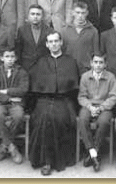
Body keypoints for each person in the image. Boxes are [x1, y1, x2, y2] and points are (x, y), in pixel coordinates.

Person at [29, 31, 79, 175]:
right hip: (44, 99)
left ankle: (52, 160)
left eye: (56, 41)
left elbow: (73, 88)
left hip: (64, 100)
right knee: (43, 117)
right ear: (46, 44)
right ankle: (45, 160)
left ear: (61, 42)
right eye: (50, 42)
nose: (54, 44)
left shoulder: (70, 61)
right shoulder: (41, 62)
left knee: (56, 118)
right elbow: (36, 88)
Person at [78, 51, 116, 172]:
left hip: (104, 107)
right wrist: (90, 107)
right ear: (91, 63)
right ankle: (93, 153)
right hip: (89, 106)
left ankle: (94, 152)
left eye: (101, 62)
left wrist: (101, 107)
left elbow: (113, 97)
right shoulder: (85, 76)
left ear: (105, 64)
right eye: (95, 62)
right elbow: (82, 96)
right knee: (83, 119)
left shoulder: (111, 77)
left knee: (104, 121)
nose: (98, 65)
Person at [0, 47, 29, 163]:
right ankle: (11, 147)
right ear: (2, 58)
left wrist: (6, 91)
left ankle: (3, 145)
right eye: (7, 57)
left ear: (16, 58)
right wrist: (9, 98)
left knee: (18, 116)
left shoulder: (22, 72)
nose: (10, 59)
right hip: (0, 103)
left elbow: (23, 90)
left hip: (17, 104)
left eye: (12, 57)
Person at [61, 2, 99, 76]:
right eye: (77, 12)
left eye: (83, 13)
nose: (80, 16)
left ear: (87, 13)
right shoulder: (64, 30)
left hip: (86, 70)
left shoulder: (93, 31)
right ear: (73, 13)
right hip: (68, 69)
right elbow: (62, 51)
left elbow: (96, 52)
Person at [16, 4, 53, 72]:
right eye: (32, 14)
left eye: (38, 14)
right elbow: (18, 50)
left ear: (42, 17)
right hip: (26, 67)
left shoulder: (49, 31)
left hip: (43, 68)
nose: (35, 16)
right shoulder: (22, 30)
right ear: (28, 16)